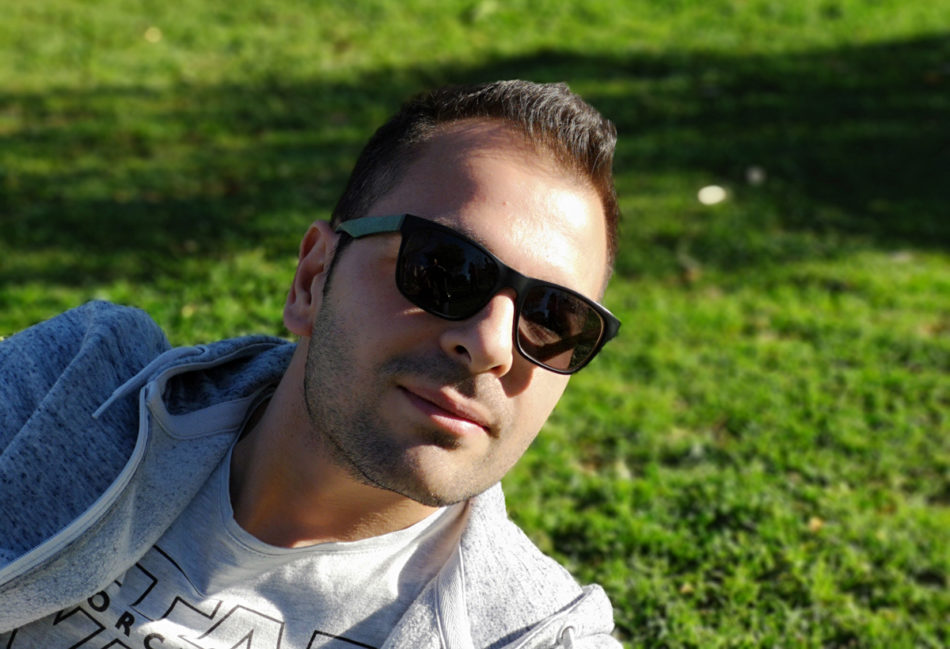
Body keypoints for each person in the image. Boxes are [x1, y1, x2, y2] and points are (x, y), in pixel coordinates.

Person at [0, 80, 622, 648]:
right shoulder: (79, 387)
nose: (490, 346)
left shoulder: (536, 634)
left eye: (554, 319)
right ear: (313, 278)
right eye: (445, 268)